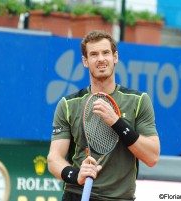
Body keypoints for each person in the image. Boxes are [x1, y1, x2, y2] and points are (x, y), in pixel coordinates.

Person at [47, 30, 160, 201]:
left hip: (120, 198)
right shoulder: (68, 105)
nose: (100, 59)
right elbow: (54, 159)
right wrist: (76, 175)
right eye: (94, 54)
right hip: (77, 195)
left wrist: (117, 122)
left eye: (106, 53)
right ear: (85, 61)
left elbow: (152, 157)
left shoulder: (138, 101)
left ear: (115, 57)